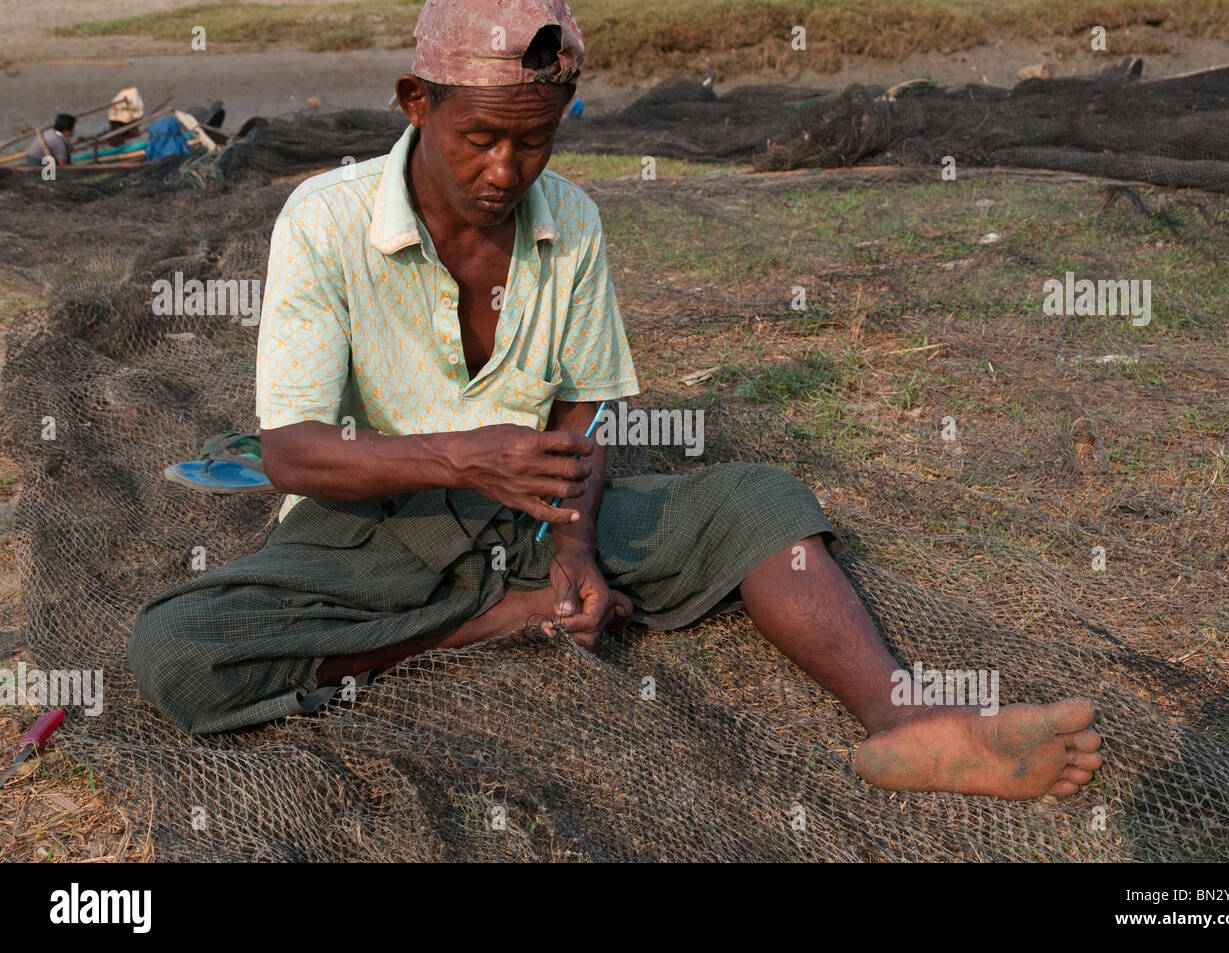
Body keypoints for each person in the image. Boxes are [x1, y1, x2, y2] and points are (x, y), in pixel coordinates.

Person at [129, 0, 1103, 800]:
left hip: (531, 511)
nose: (504, 173)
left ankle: (907, 723)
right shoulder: (323, 218)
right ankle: (496, 621)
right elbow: (295, 452)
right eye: (477, 140)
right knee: (178, 649)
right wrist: (467, 458)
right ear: (414, 100)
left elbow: (580, 417)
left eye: (534, 143)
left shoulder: (572, 222)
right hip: (368, 522)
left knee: (762, 504)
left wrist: (579, 550)